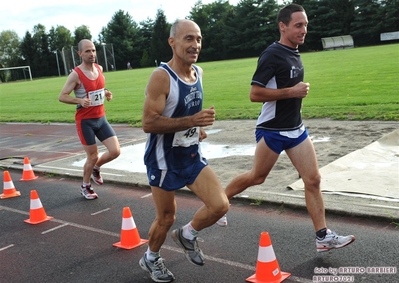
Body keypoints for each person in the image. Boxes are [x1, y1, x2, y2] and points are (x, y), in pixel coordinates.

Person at [217, 4, 355, 253]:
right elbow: (254, 94)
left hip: (296, 129)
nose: (304, 30)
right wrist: (291, 92)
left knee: (313, 180)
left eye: (306, 25)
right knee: (257, 177)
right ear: (283, 26)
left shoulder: (294, 52)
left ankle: (323, 236)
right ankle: (218, 203)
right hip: (272, 129)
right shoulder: (272, 54)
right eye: (298, 25)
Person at [139, 19, 229, 282]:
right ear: (173, 42)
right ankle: (151, 258)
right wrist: (192, 121)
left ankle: (187, 235)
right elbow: (149, 122)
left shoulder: (198, 73)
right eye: (188, 39)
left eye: (198, 39)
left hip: (191, 155)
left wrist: (196, 129)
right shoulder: (161, 76)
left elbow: (184, 112)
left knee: (220, 205)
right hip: (163, 160)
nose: (195, 45)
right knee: (166, 218)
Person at [58, 39, 120, 200]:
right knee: (92, 156)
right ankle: (85, 186)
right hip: (85, 121)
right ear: (80, 54)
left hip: (101, 118)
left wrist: (106, 92)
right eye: (87, 51)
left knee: (115, 151)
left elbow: (97, 89)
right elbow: (62, 96)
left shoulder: (99, 68)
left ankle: (96, 168)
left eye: (93, 50)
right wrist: (79, 101)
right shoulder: (76, 75)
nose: (92, 54)